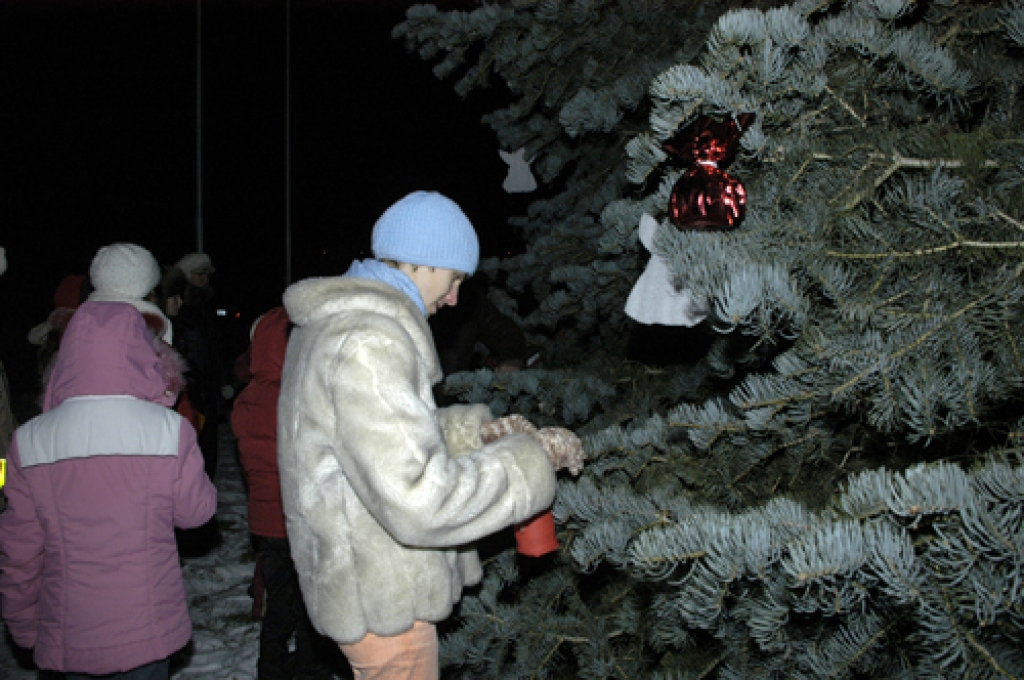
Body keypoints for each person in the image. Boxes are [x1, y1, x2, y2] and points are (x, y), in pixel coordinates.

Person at [277, 190, 585, 679]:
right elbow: (417, 498)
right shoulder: (368, 342)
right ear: (423, 262)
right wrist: (529, 461)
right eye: (454, 278)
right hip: (385, 602)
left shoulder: (340, 328)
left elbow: (376, 446)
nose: (455, 297)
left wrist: (477, 435)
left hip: (369, 590)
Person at [0, 280, 217, 678]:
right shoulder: (167, 430)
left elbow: (19, 550)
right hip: (147, 630)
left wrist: (23, 622)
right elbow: (197, 513)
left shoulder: (29, 441)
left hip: (69, 632)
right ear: (142, 354)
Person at [231, 306, 342, 680]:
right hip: (303, 520)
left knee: (280, 602)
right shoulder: (303, 399)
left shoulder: (247, 398)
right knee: (312, 605)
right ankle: (310, 669)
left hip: (265, 522)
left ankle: (271, 667)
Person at [175, 252, 223, 481]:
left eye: (207, 274)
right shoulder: (183, 307)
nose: (204, 279)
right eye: (199, 273)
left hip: (207, 386)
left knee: (207, 451)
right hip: (193, 388)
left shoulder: (206, 304)